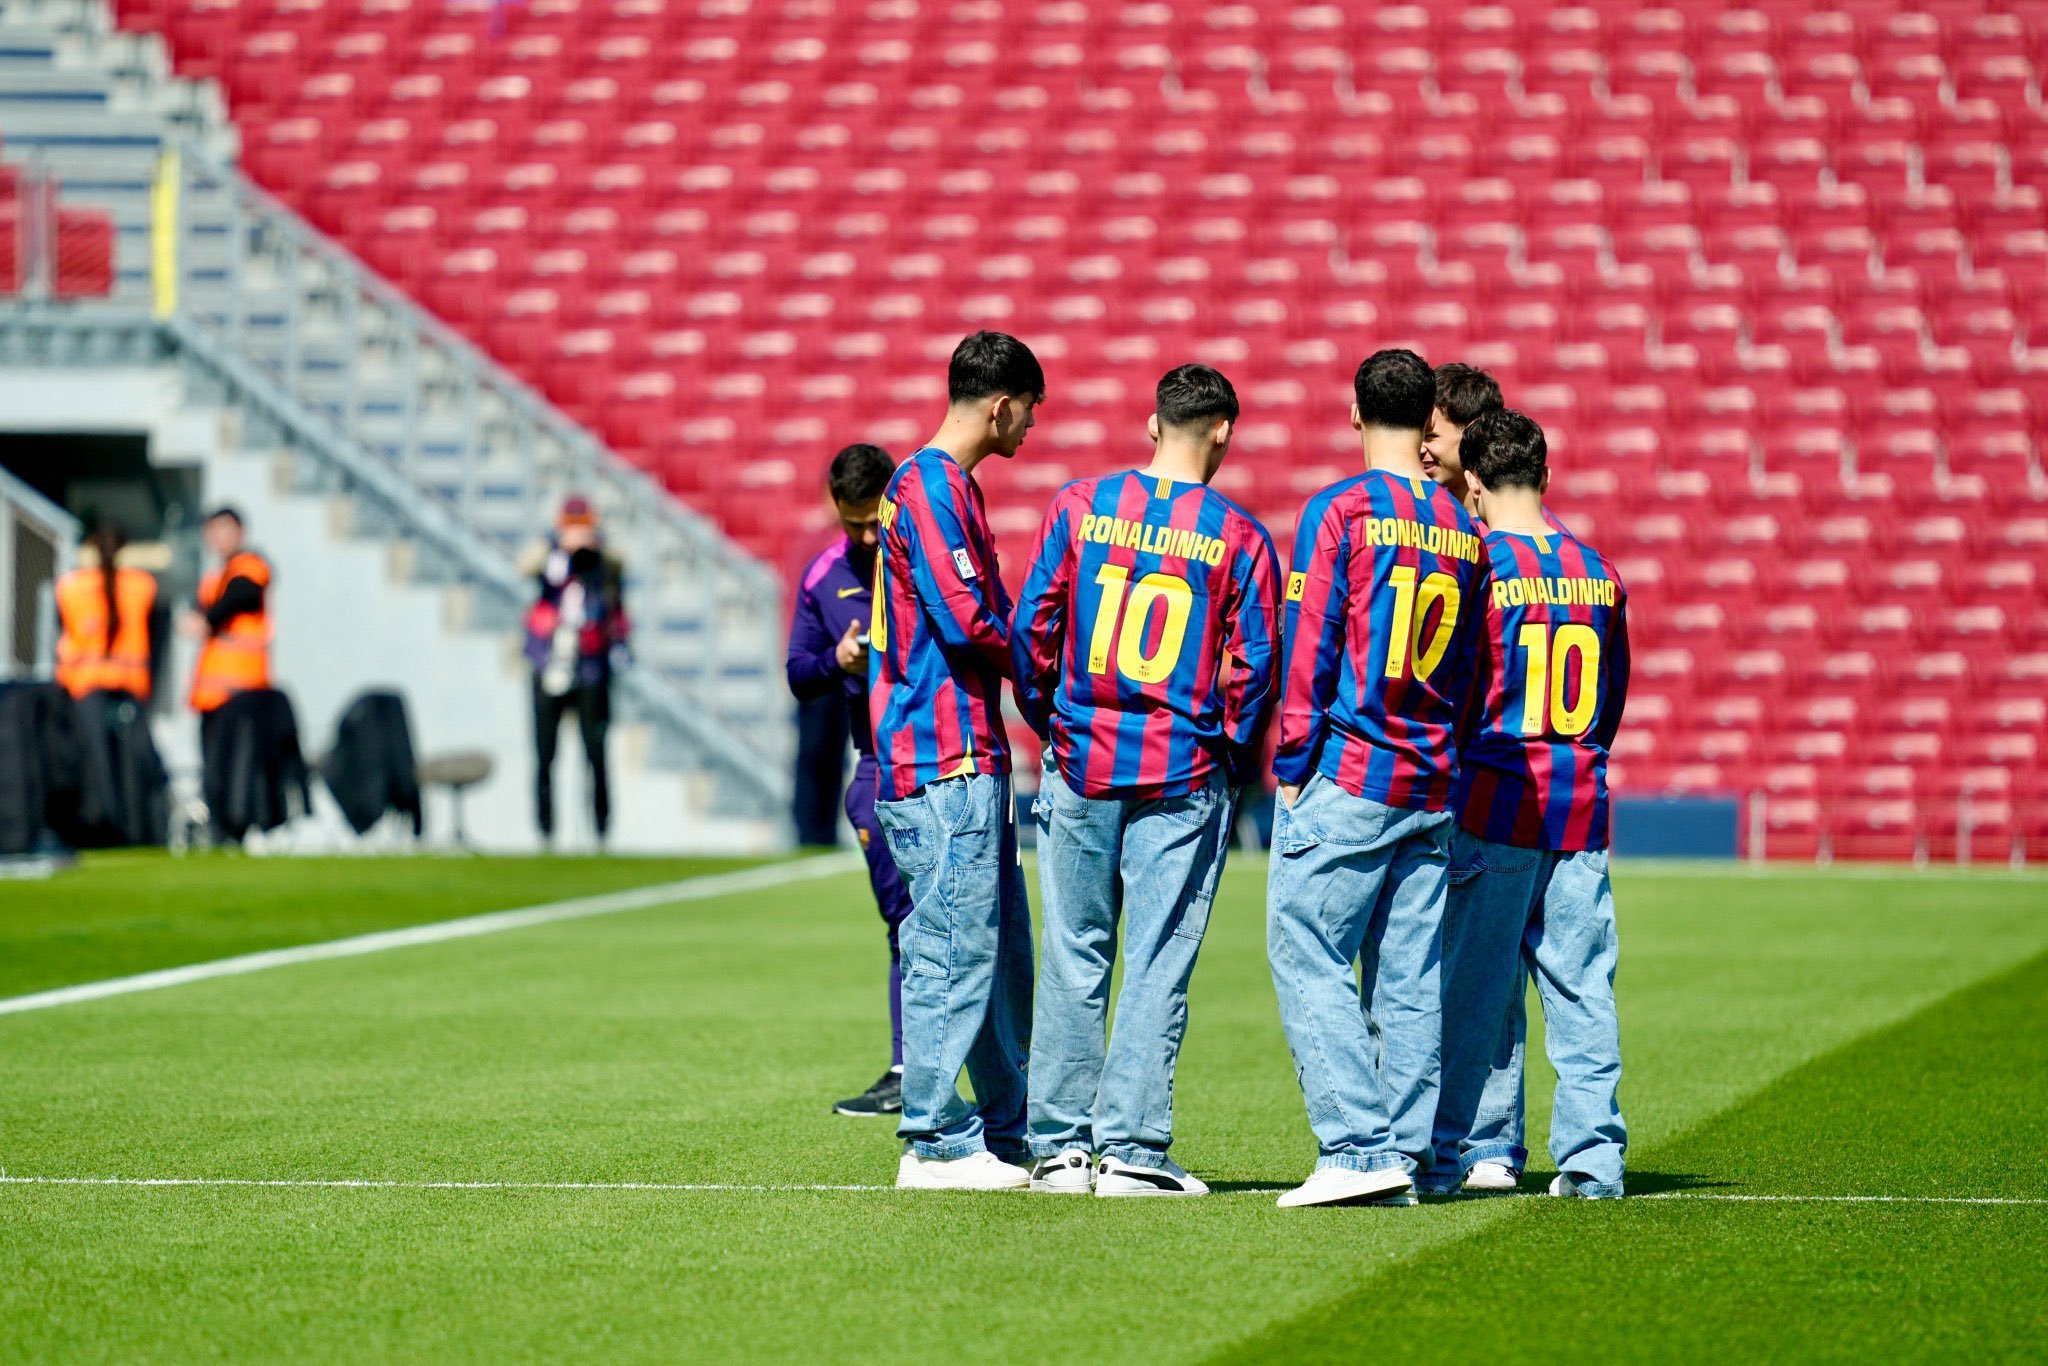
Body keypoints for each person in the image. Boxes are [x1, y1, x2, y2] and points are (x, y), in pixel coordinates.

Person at [1010, 363, 1281, 1197]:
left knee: (1073, 951)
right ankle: (1131, 1149)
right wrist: (1229, 752)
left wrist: (1053, 721)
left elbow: (1031, 629)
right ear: (1224, 432)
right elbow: (1258, 666)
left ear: (1153, 424)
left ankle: (1059, 1149)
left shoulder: (1081, 505)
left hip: (1083, 757)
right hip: (1179, 767)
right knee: (1158, 959)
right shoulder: (1239, 536)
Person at [1265, 349, 1494, 1209]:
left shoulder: (1343, 510)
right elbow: (1473, 666)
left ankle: (1357, 1150)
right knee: (1408, 978)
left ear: (1355, 413)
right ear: (1429, 421)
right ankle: (1410, 1154)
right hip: (1431, 776)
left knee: (1305, 945)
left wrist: (1292, 762)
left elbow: (1311, 641)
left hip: (1354, 768)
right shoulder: (1463, 528)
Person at [1428, 409, 1632, 1199]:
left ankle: (1450, 1152)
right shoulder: (1599, 571)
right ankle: (1594, 1161)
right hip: (1579, 805)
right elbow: (1612, 697)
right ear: (1545, 475)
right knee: (1582, 991)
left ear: (1473, 481)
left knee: (1473, 994)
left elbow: (1459, 688)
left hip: (1497, 801)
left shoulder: (1479, 565)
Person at [869, 330, 1042, 1191]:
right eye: (1029, 412)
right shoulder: (931, 486)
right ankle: (935, 1138)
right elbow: (969, 618)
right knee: (951, 945)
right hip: (941, 756)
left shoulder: (943, 485)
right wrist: (1051, 664)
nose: (1031, 430)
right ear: (1001, 406)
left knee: (998, 951)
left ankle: (1006, 1132)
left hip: (965, 750)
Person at [785, 443, 915, 1118]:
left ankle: (1008, 1069)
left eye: (875, 521)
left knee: (977, 924)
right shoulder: (823, 577)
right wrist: (837, 660)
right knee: (903, 924)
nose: (867, 536)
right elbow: (798, 675)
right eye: (853, 523)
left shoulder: (925, 557)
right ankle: (907, 1069)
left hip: (946, 757)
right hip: (876, 764)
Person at [523, 495, 628, 846]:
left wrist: (595, 545)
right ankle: (545, 830)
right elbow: (523, 566)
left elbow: (621, 564)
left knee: (595, 753)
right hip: (550, 662)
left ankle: (601, 828)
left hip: (590, 666)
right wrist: (556, 544)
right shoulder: (550, 555)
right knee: (545, 753)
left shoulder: (604, 561)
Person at [180, 506, 273, 743]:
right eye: (212, 531)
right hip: (213, 694)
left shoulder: (250, 565)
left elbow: (242, 594)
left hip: (242, 690)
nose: (218, 537)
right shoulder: (215, 577)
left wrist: (207, 620)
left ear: (240, 532)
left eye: (224, 530)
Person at [55, 522, 157, 703]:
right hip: (131, 681)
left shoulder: (71, 586)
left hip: (83, 681)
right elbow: (154, 634)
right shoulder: (142, 585)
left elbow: (62, 628)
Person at [1420, 362, 1504, 513]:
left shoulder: (1522, 523)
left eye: (1430, 436)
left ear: (1474, 432)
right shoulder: (1420, 514)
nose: (1420, 449)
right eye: (1419, 437)